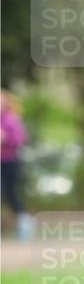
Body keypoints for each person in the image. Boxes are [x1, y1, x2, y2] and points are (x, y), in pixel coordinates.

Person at [0, 89, 32, 239]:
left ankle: (25, 223)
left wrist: (6, 138)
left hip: (9, 162)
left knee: (11, 193)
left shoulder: (11, 119)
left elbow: (21, 138)